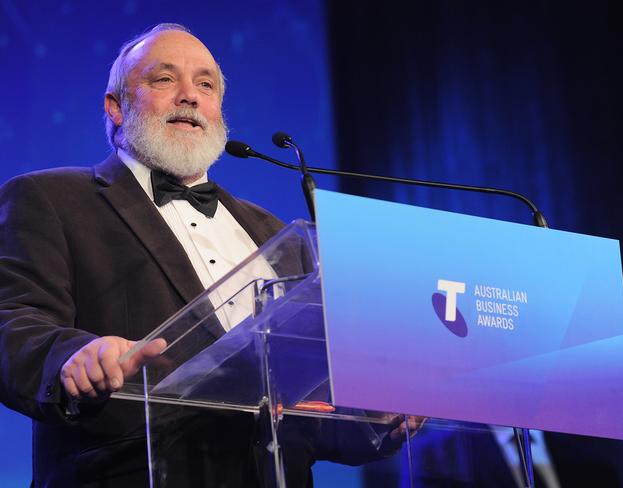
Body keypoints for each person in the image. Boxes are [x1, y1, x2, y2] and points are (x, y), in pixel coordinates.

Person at [0, 23, 410, 487]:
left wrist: (373, 416)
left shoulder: (276, 234)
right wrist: (74, 358)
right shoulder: (50, 198)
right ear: (116, 106)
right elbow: (11, 321)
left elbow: (308, 411)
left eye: (206, 84)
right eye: (164, 79)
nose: (189, 96)